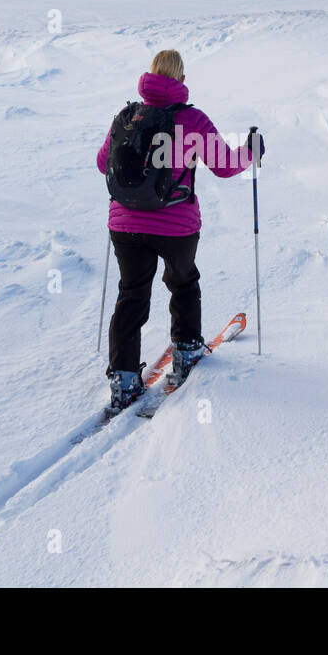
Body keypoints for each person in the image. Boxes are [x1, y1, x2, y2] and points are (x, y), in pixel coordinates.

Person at [96, 49, 263, 410]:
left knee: (131, 294)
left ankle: (124, 380)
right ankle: (186, 350)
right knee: (183, 282)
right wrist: (251, 151)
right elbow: (223, 166)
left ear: (150, 76)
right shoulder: (192, 120)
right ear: (182, 80)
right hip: (175, 226)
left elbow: (101, 163)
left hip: (124, 225)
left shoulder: (125, 116)